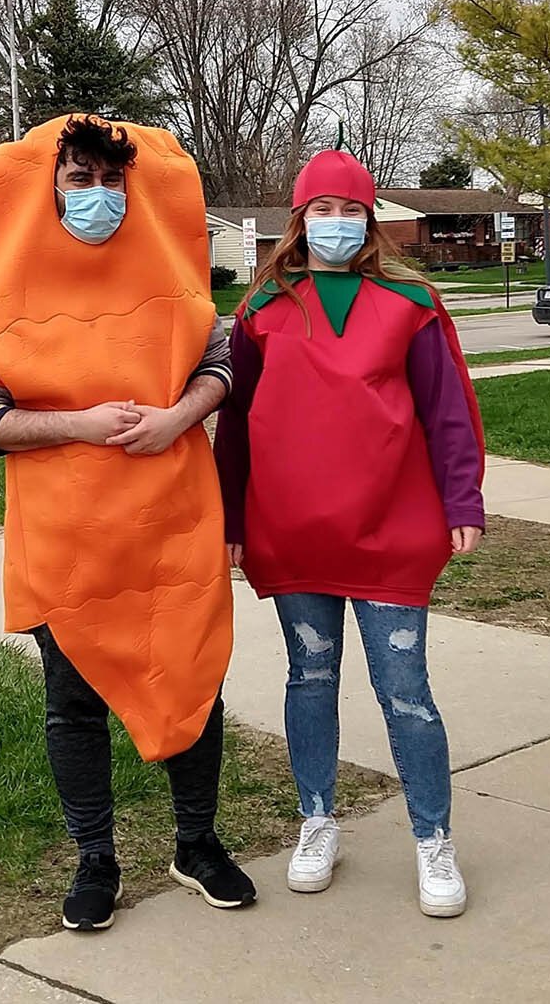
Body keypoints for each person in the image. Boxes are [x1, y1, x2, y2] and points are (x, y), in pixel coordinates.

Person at [0, 115, 256, 933]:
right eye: (78, 181)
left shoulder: (172, 278)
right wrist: (74, 426)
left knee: (193, 678)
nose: (98, 197)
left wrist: (177, 416)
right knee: (72, 702)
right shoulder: (5, 299)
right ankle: (95, 859)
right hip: (67, 536)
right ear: (47, 193)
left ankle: (198, 844)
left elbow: (220, 366)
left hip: (172, 523)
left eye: (112, 181)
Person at [214, 149, 485, 918]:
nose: (337, 224)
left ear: (372, 218)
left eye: (351, 210)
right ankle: (317, 819)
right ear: (298, 220)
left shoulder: (411, 302)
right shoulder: (264, 309)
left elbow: (447, 411)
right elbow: (235, 426)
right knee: (310, 678)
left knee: (405, 690)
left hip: (391, 527)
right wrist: (233, 517)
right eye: (321, 211)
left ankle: (433, 838)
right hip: (294, 528)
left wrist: (462, 500)